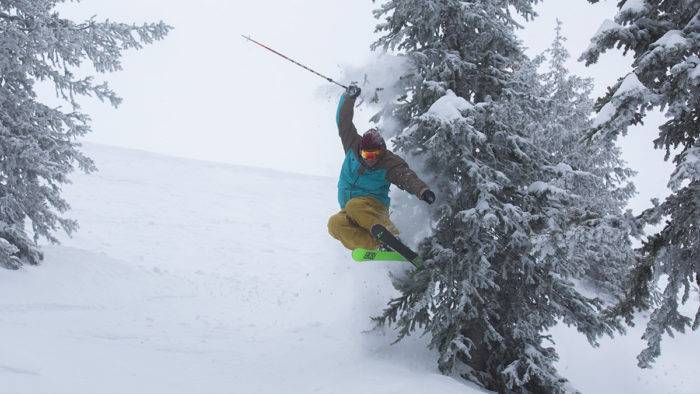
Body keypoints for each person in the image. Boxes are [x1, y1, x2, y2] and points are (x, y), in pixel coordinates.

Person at [328, 84, 435, 251]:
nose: (371, 160)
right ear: (361, 151)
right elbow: (343, 122)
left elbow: (406, 177)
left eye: (374, 155)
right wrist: (348, 98)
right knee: (334, 224)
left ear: (381, 151)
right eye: (367, 155)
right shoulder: (351, 146)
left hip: (373, 208)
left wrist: (422, 191)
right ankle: (378, 246)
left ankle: (392, 236)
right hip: (351, 210)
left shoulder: (388, 163)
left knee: (354, 205)